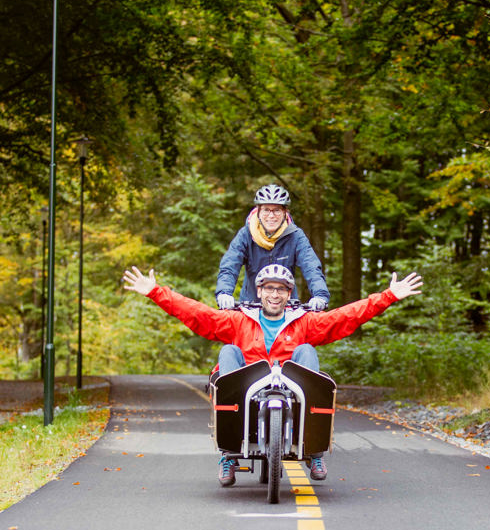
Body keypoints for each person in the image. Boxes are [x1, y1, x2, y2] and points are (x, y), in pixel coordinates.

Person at [123, 263, 423, 486]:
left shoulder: (303, 321)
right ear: (259, 291)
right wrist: (154, 292)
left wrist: (388, 296)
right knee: (228, 351)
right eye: (269, 288)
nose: (275, 294)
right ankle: (229, 452)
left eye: (281, 289)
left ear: (289, 294)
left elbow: (346, 316)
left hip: (293, 384)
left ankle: (314, 448)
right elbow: (198, 314)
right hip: (248, 383)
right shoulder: (240, 320)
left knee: (307, 349)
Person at [215, 183, 330, 311]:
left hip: (285, 308)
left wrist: (320, 295)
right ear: (258, 211)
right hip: (251, 307)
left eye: (276, 210)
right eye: (266, 210)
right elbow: (229, 266)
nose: (271, 216)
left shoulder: (296, 236)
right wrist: (224, 293)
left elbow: (312, 267)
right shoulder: (246, 234)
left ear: (285, 212)